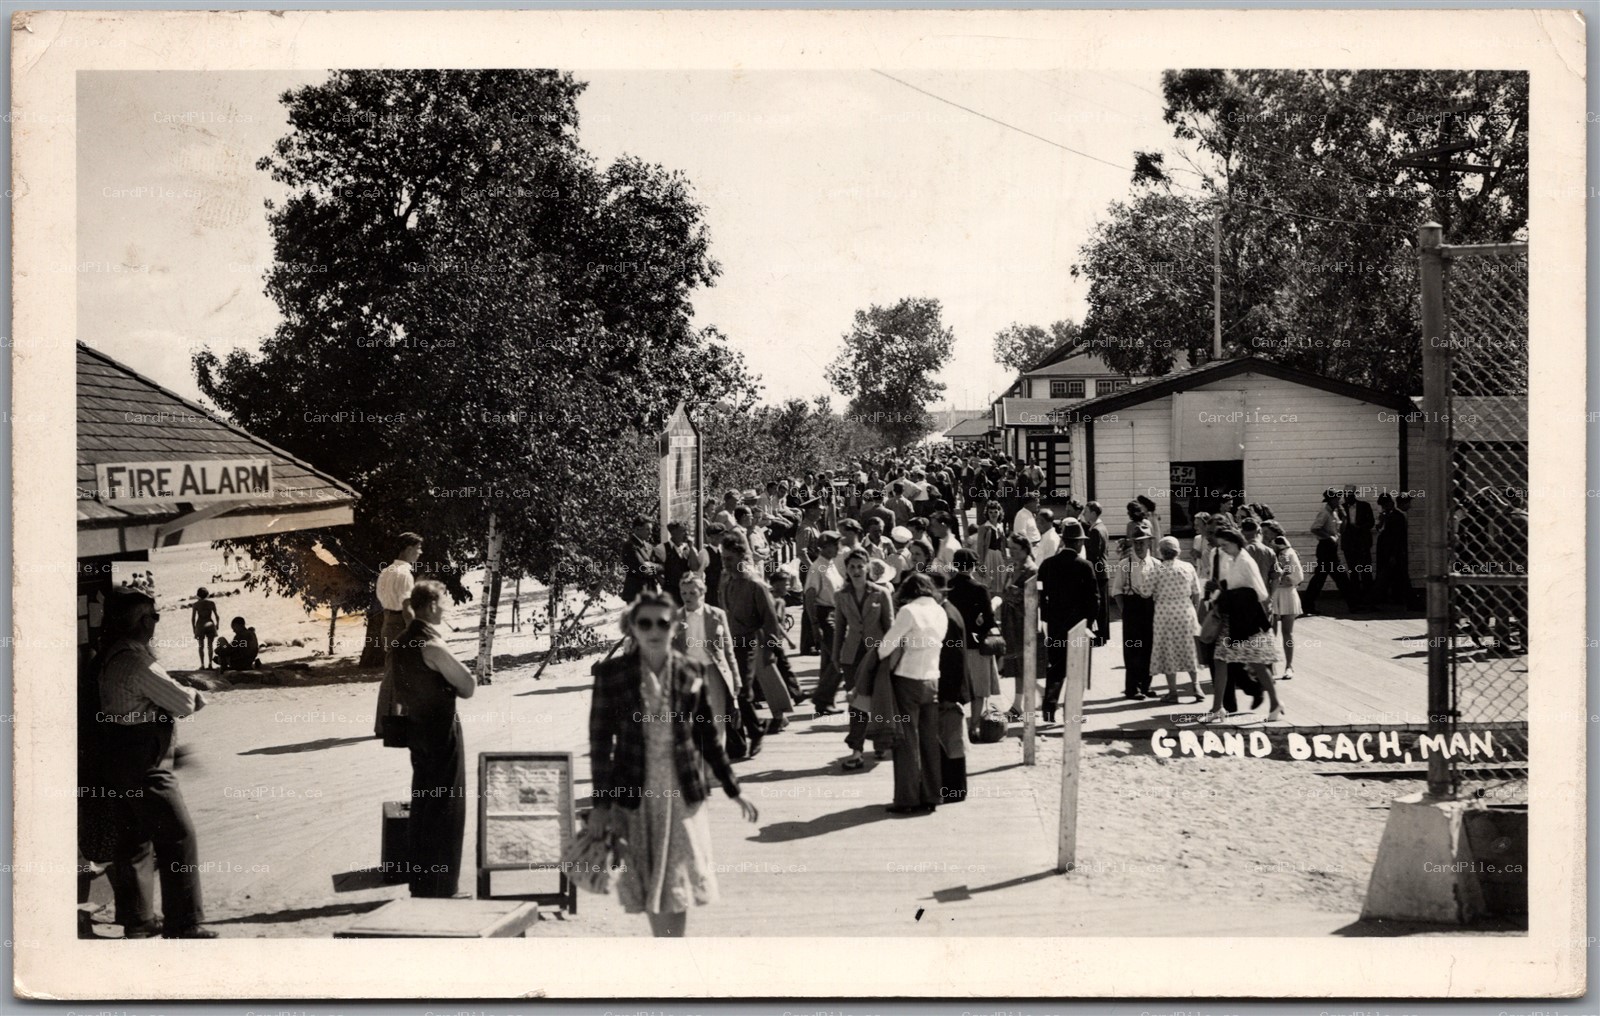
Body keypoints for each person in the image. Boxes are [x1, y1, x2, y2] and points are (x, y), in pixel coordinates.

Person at [589, 591, 758, 937]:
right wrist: (601, 806)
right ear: (632, 627)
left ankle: (672, 950)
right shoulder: (612, 674)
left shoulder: (689, 671)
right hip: (635, 793)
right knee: (651, 876)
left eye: (662, 623)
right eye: (645, 623)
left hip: (682, 792)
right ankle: (667, 948)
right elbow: (600, 744)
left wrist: (732, 788)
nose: (654, 630)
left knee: (676, 876)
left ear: (674, 627)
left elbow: (709, 736)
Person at [93, 587, 216, 939]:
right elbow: (182, 703)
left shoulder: (111, 655)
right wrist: (195, 691)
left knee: (133, 841)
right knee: (179, 836)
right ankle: (184, 922)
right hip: (146, 759)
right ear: (141, 621)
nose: (155, 624)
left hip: (118, 755)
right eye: (154, 617)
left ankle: (138, 919)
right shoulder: (137, 661)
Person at [389, 579, 475, 897]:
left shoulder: (400, 642)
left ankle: (422, 883)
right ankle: (443, 885)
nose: (448, 609)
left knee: (423, 803)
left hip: (416, 729)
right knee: (448, 805)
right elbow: (468, 686)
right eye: (445, 603)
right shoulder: (433, 645)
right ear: (433, 605)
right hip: (442, 731)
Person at [857, 572, 947, 814]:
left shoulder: (908, 612)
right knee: (929, 741)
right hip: (932, 679)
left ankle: (907, 799)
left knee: (907, 741)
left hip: (908, 680)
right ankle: (931, 795)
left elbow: (886, 647)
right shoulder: (940, 610)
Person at [1203, 529, 1285, 723]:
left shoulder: (1245, 561)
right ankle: (1217, 707)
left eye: (1225, 544)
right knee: (1220, 660)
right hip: (1234, 619)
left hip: (1247, 621)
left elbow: (1261, 593)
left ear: (1235, 542)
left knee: (1255, 662)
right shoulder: (1233, 560)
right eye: (1220, 545)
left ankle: (1274, 703)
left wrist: (1227, 595)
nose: (1222, 548)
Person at [717, 535, 782, 760]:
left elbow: (771, 619)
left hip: (750, 640)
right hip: (729, 643)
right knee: (728, 691)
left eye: (730, 558)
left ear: (743, 557)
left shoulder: (755, 584)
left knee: (743, 692)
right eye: (723, 558)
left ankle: (755, 731)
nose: (725, 563)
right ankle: (736, 744)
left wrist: (770, 649)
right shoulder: (726, 581)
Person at [833, 548, 895, 771]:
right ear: (846, 570)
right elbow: (839, 628)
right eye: (852, 567)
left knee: (879, 701)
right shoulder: (841, 595)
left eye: (860, 566)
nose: (856, 570)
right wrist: (835, 656)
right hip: (852, 656)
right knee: (856, 703)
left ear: (868, 567)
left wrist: (891, 656)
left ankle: (881, 744)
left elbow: (891, 628)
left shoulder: (881, 593)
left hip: (877, 655)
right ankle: (856, 751)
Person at [1037, 519, 1099, 722]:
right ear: (1079, 543)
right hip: (1077, 626)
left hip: (1054, 624)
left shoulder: (1047, 565)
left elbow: (1040, 593)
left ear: (1063, 541)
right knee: (1075, 671)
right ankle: (1071, 713)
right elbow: (1094, 599)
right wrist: (1090, 623)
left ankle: (1048, 709)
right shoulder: (1085, 566)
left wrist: (1046, 616)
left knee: (1055, 668)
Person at [673, 572, 742, 752]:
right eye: (684, 593)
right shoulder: (675, 618)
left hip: (713, 672)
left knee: (717, 720)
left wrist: (735, 679)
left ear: (702, 593)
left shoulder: (717, 615)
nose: (687, 597)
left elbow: (728, 650)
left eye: (692, 593)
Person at [946, 548, 1002, 738]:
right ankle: (975, 727)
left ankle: (957, 727)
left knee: (955, 690)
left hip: (953, 646)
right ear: (974, 566)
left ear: (955, 564)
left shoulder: (947, 587)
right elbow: (989, 620)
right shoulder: (980, 589)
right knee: (979, 690)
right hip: (976, 645)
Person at [374, 531, 423, 737]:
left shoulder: (386, 572)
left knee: (396, 674)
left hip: (388, 622)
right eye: (418, 549)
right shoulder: (404, 574)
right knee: (397, 675)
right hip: (400, 624)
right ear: (409, 549)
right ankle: (388, 726)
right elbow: (407, 608)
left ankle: (393, 723)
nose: (420, 553)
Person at [1149, 536, 1204, 704]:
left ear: (1161, 551)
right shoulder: (1188, 567)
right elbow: (1196, 592)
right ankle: (1196, 686)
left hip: (1165, 613)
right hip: (1186, 611)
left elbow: (1145, 591)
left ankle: (1173, 692)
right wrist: (1193, 608)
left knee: (1168, 650)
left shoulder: (1157, 569)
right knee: (1189, 649)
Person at [1114, 521, 1159, 699]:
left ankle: (1146, 685)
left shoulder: (1156, 564)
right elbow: (1117, 591)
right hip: (1132, 608)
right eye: (1136, 542)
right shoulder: (1125, 564)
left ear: (1149, 543)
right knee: (1133, 650)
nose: (1139, 546)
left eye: (1143, 542)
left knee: (1149, 648)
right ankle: (1133, 688)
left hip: (1151, 608)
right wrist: (1125, 611)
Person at [803, 531, 845, 716]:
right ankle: (822, 697)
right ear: (825, 546)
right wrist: (814, 625)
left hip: (834, 613)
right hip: (824, 615)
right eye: (835, 545)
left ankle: (825, 702)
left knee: (829, 660)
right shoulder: (817, 567)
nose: (838, 548)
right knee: (841, 658)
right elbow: (810, 596)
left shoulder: (831, 565)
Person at [999, 533, 1039, 720]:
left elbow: (1033, 599)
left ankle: (1019, 705)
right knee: (1017, 664)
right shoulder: (1013, 566)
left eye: (1015, 549)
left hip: (1024, 622)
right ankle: (1029, 700)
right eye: (1010, 548)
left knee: (1023, 664)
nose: (1011, 552)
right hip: (1011, 621)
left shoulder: (1031, 570)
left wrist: (1014, 594)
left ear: (1025, 549)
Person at [1263, 521, 1304, 679]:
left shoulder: (1287, 551)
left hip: (1287, 593)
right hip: (1272, 592)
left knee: (1287, 632)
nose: (1265, 535)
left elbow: (1295, 575)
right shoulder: (1265, 550)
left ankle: (1289, 666)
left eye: (1267, 532)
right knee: (1271, 631)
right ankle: (1271, 665)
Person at [1301, 488, 1351, 615]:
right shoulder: (1324, 513)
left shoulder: (1334, 513)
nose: (1338, 501)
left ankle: (1307, 604)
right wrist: (1329, 537)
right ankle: (1354, 604)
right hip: (1325, 548)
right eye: (1336, 498)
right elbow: (1315, 529)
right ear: (1330, 500)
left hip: (1331, 549)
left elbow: (1341, 531)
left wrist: (1344, 518)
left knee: (1321, 578)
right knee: (1340, 578)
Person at [1080, 501, 1112, 646]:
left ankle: (1100, 636)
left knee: (1099, 605)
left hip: (1098, 572)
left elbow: (1094, 554)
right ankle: (1103, 635)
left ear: (1093, 513)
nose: (1084, 514)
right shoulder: (1102, 527)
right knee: (1103, 605)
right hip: (1103, 570)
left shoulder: (1095, 531)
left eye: (1086, 511)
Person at [1374, 491, 1412, 609]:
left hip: (1392, 551)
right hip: (1389, 551)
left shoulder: (1394, 516)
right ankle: (1403, 599)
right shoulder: (1392, 516)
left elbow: (1393, 536)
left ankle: (1378, 599)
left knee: (1392, 576)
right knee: (1397, 576)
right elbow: (1387, 534)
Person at [1341, 484, 1376, 610]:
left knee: (1366, 571)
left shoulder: (1364, 506)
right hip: (1349, 544)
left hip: (1362, 544)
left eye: (1349, 495)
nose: (1346, 498)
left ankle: (1369, 599)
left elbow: (1371, 522)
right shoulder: (1341, 508)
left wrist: (1360, 528)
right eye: (1345, 495)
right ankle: (1356, 598)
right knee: (1353, 572)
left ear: (1354, 495)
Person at [655, 520, 703, 606]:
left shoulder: (689, 549)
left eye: (686, 531)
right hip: (670, 592)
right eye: (683, 531)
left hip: (686, 591)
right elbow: (657, 570)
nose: (686, 534)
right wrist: (664, 584)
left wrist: (691, 547)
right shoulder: (662, 548)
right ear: (673, 532)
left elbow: (695, 568)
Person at [977, 500, 1009, 593]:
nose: (993, 514)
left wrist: (1005, 559)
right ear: (987, 513)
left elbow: (1003, 545)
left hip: (999, 556)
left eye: (995, 512)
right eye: (990, 512)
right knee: (989, 580)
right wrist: (980, 564)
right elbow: (980, 547)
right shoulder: (984, 527)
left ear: (999, 513)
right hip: (988, 556)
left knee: (1000, 580)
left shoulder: (1000, 526)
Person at [189, 588, 219, 669]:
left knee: (201, 646)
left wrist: (194, 628)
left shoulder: (195, 604)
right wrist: (217, 625)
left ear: (198, 595)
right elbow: (217, 616)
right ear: (207, 594)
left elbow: (193, 618)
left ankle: (202, 665)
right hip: (210, 623)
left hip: (200, 624)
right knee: (210, 645)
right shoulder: (211, 603)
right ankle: (210, 664)